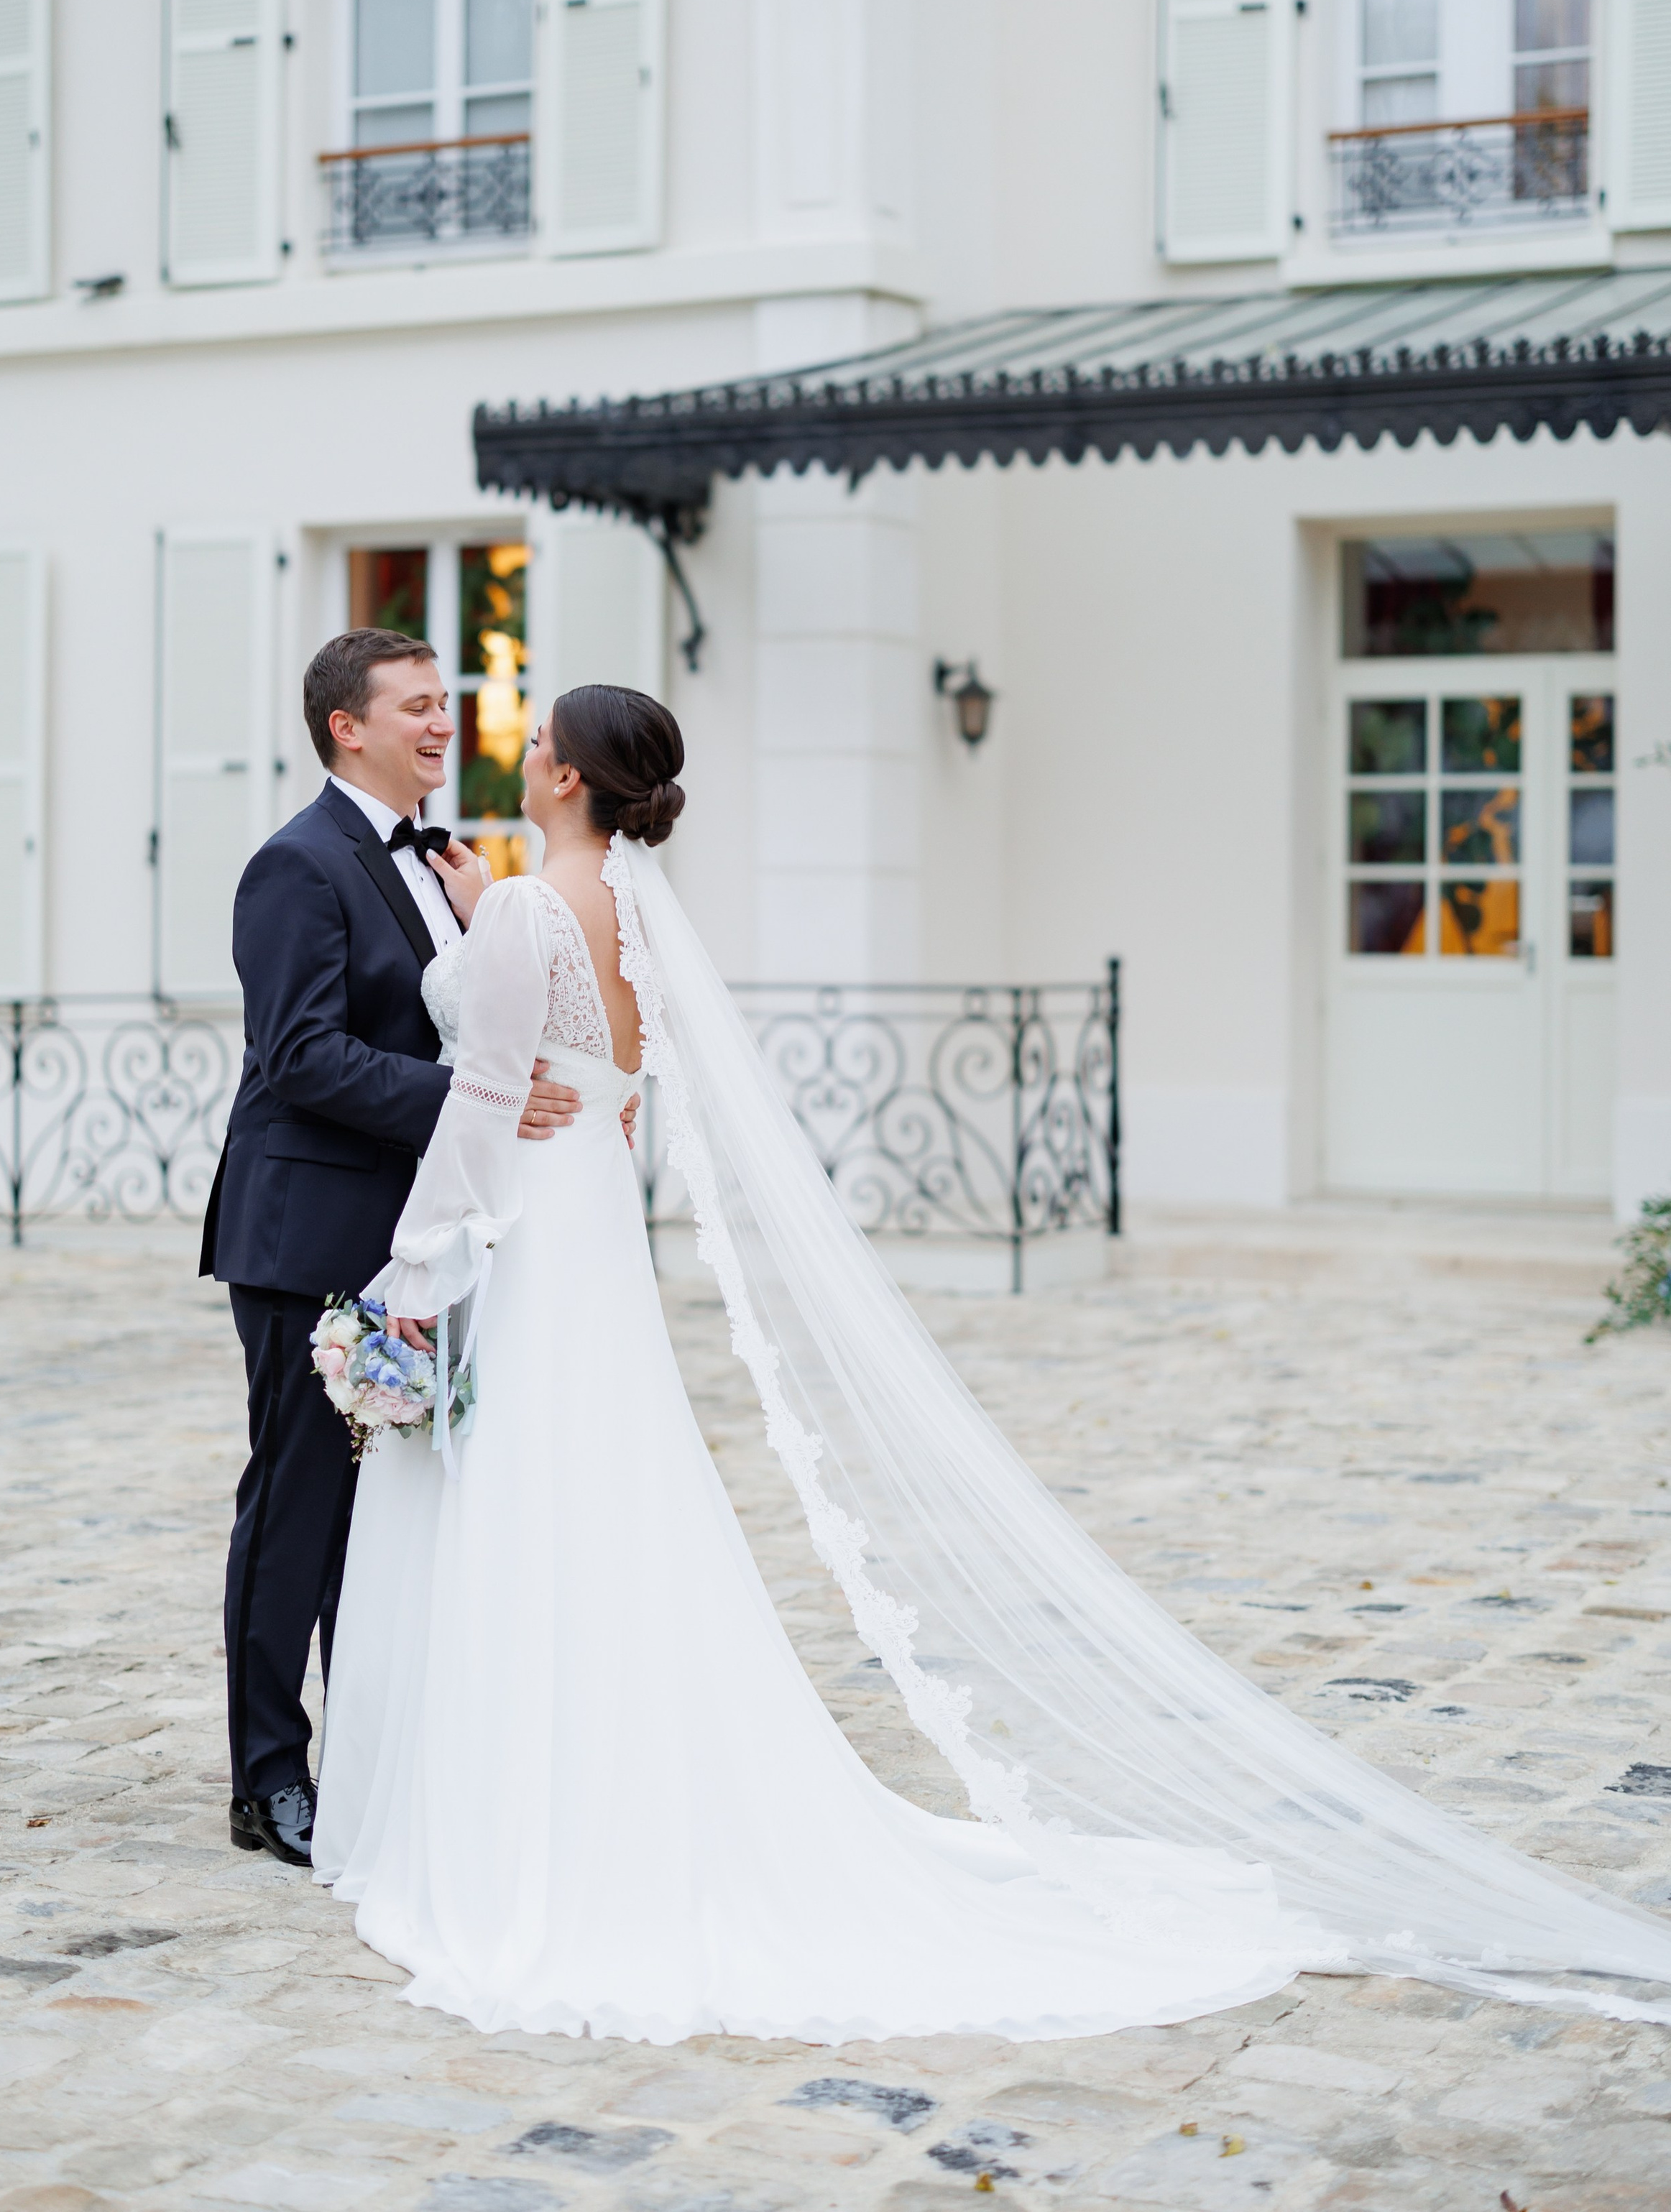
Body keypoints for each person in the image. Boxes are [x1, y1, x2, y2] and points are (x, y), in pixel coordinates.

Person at [311, 683, 1671, 2040]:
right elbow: (599, 1082)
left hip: (540, 1231)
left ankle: (535, 1819)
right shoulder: (630, 914)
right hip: (597, 1226)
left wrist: (414, 1271)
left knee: (536, 1500)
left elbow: (490, 1101)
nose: (526, 745)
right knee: (608, 1496)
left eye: (541, 734)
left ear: (567, 776)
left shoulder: (537, 910)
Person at [202, 629, 587, 1866]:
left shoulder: (446, 862)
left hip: (410, 1237)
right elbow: (300, 1058)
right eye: (415, 706)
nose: (442, 721)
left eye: (447, 703)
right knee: (298, 1502)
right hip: (306, 1230)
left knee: (385, 1515)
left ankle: (366, 1754)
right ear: (344, 728)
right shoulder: (294, 867)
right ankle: (268, 1777)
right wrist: (475, 1097)